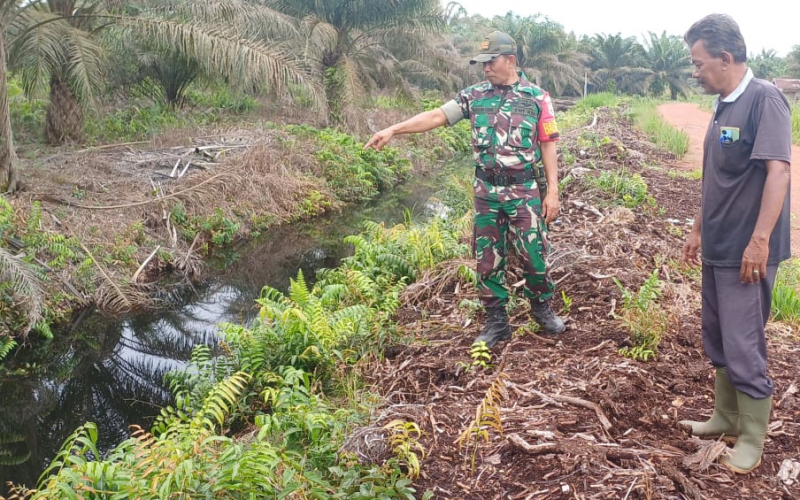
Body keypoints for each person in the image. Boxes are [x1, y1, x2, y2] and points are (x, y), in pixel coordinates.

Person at [365, 31, 566, 348]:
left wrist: (552, 192)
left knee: (533, 255)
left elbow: (548, 145)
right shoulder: (474, 96)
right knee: (487, 259)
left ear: (510, 60)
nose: (486, 68)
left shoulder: (537, 98)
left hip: (524, 191)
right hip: (486, 192)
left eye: (491, 61)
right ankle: (497, 322)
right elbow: (436, 116)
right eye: (482, 63)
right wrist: (394, 129)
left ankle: (541, 308)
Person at [679, 14, 792, 474]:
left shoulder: (764, 99)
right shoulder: (724, 104)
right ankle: (725, 418)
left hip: (747, 253)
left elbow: (778, 172)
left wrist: (759, 241)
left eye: (699, 63)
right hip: (718, 245)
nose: (695, 71)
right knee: (718, 336)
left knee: (744, 344)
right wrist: (697, 229)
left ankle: (751, 439)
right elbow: (715, 177)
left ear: (725, 58)